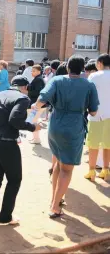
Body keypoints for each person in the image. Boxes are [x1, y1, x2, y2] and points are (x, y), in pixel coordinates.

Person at [33, 55, 99, 218]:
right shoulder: (89, 84)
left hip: (55, 125)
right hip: (74, 126)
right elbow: (93, 111)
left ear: (68, 67)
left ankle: (55, 199)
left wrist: (32, 115)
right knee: (66, 169)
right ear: (83, 68)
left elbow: (40, 100)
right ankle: (55, 206)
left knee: (57, 164)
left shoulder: (57, 81)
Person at [0, 75, 41, 225]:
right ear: (25, 88)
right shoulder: (22, 99)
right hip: (7, 144)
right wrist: (33, 127)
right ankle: (5, 217)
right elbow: (14, 120)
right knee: (14, 180)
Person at [85, 54, 110, 181]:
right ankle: (106, 170)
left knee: (93, 145)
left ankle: (91, 171)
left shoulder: (94, 76)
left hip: (96, 115)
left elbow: (88, 94)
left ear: (100, 63)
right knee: (108, 145)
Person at [27, 64, 46, 144]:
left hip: (36, 103)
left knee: (33, 121)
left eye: (34, 71)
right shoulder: (38, 79)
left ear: (39, 71)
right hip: (36, 103)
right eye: (32, 71)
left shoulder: (38, 79)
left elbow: (37, 92)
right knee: (33, 121)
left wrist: (28, 88)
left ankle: (36, 138)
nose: (32, 72)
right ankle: (35, 138)